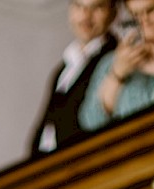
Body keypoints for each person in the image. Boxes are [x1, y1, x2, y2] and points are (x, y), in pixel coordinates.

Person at [30, 0, 117, 157]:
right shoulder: (62, 68)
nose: (85, 16)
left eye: (97, 7)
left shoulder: (115, 59)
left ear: (113, 13)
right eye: (79, 6)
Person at [79, 0, 154, 132]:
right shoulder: (110, 62)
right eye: (135, 14)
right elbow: (90, 122)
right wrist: (117, 75)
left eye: (151, 10)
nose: (143, 20)